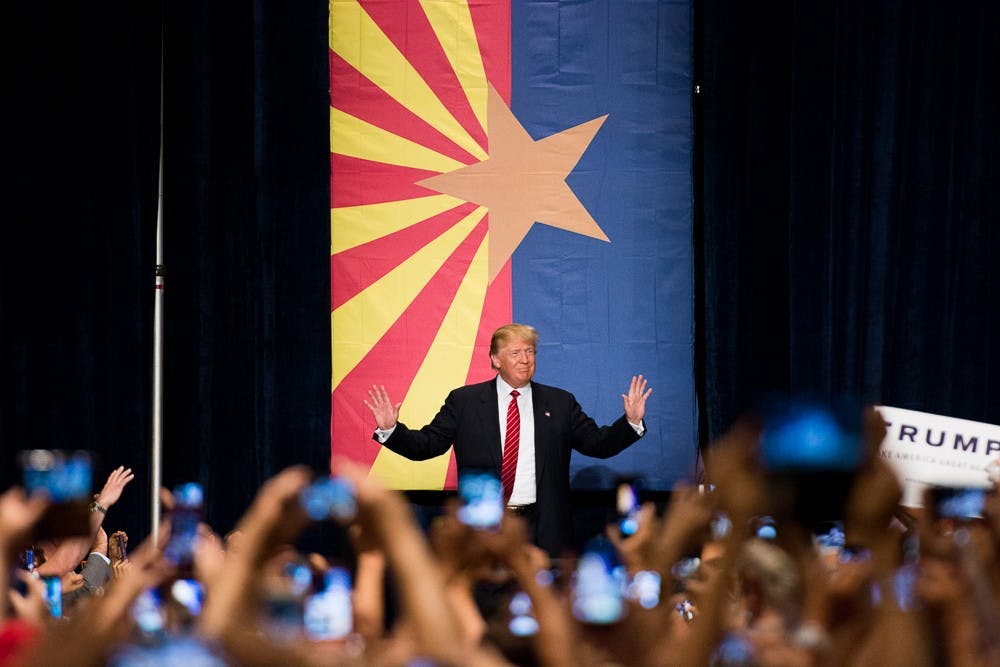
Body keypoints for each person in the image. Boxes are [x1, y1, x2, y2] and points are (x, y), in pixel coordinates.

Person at [364, 323, 652, 556]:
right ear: (495, 359)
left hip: (546, 528)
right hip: (486, 526)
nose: (525, 360)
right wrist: (392, 429)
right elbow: (427, 445)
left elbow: (597, 444)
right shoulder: (464, 401)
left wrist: (630, 422)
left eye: (530, 352)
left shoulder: (560, 402)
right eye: (515, 353)